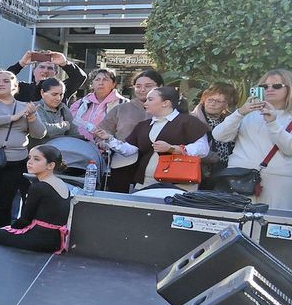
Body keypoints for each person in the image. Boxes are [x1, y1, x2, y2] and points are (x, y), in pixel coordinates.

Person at [0, 70, 46, 238]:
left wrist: (32, 116)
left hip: (15, 162)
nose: (1, 83)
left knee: (5, 205)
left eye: (6, 80)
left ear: (15, 86)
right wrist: (12, 118)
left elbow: (39, 133)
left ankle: (1, 239)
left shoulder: (25, 106)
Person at [208, 69, 292, 210]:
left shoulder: (288, 117)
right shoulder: (248, 113)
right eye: (264, 86)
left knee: (271, 227)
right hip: (239, 178)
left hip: (278, 181)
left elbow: (289, 149)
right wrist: (240, 113)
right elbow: (219, 135)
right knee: (237, 225)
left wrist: (273, 124)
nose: (269, 89)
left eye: (277, 86)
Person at [103, 85, 212, 193]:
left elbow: (203, 149)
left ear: (166, 103)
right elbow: (129, 150)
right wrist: (109, 139)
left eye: (150, 99)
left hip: (180, 184)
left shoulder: (188, 122)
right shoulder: (143, 125)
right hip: (145, 182)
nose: (145, 103)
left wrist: (173, 149)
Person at [0, 145, 73, 253]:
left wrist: (8, 229)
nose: (29, 162)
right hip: (55, 239)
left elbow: (25, 220)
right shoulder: (60, 183)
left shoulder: (39, 187)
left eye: (36, 159)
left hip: (41, 239)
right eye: (29, 158)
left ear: (50, 165)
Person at [98, 69, 162, 144]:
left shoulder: (169, 111)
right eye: (138, 86)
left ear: (160, 86)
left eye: (148, 86)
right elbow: (103, 131)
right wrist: (107, 144)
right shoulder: (120, 109)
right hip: (123, 154)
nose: (142, 89)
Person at [191, 83, 240, 183]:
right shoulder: (192, 120)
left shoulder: (231, 121)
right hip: (199, 173)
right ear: (204, 100)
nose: (212, 104)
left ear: (227, 104)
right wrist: (211, 157)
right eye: (210, 99)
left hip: (226, 173)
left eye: (218, 101)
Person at [7, 50, 86, 103]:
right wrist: (21, 63)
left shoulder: (61, 88)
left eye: (50, 68)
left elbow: (80, 77)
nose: (45, 71)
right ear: (34, 71)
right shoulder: (22, 88)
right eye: (42, 67)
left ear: (56, 73)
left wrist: (65, 63)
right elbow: (4, 79)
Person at [69, 68, 124, 143]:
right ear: (92, 83)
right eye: (97, 79)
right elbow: (70, 122)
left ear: (113, 84)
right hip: (80, 148)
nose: (101, 83)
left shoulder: (123, 104)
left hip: (110, 150)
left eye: (105, 79)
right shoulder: (81, 103)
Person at [28, 78, 75, 147]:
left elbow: (74, 132)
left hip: (63, 151)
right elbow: (43, 130)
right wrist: (64, 125)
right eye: (54, 94)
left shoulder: (64, 108)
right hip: (41, 152)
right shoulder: (35, 107)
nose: (58, 98)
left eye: (61, 94)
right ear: (42, 93)